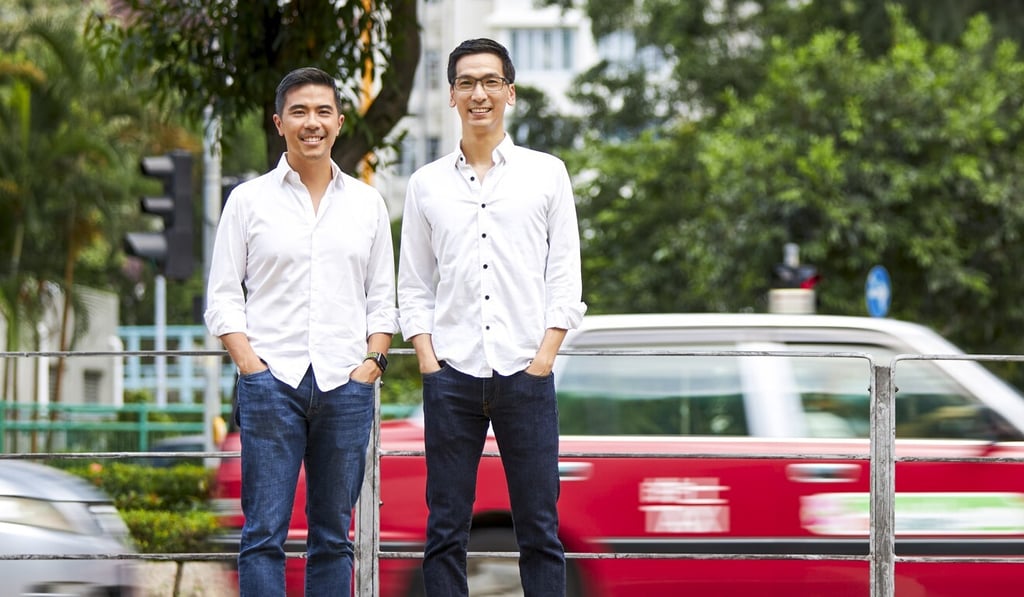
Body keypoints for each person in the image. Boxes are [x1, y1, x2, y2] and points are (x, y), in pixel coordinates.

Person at [397, 38, 587, 596]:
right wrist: (429, 361)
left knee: (540, 528)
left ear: (510, 92)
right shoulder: (425, 184)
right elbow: (414, 283)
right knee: (445, 529)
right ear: (451, 94)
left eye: (489, 82)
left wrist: (543, 357)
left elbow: (565, 276)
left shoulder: (547, 174)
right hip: (451, 375)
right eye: (466, 83)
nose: (478, 93)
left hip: (526, 371)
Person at [204, 66, 398, 596]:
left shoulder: (367, 204)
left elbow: (382, 300)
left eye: (322, 112)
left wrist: (371, 365)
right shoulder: (248, 201)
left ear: (338, 122)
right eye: (299, 112)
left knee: (333, 537)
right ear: (279, 123)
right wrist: (252, 368)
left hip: (346, 386)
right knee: (262, 534)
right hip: (271, 385)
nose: (312, 122)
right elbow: (223, 296)